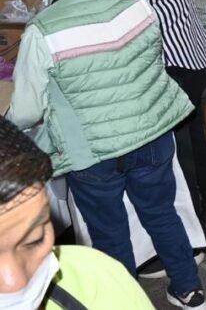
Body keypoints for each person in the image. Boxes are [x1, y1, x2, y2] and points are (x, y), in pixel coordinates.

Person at [7, 0, 206, 309]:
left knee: (109, 232)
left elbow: (26, 110)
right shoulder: (134, 3)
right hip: (151, 132)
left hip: (92, 151)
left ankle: (123, 300)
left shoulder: (42, 29)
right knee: (162, 213)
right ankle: (189, 290)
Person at [72, 0, 206, 256]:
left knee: (177, 156)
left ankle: (192, 242)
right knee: (194, 145)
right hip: (192, 59)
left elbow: (111, 4)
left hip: (176, 65)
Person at [0, 115, 156, 309]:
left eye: (35, 239)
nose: (16, 282)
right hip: (139, 140)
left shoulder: (94, 277)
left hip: (92, 157)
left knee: (111, 232)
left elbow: (26, 111)